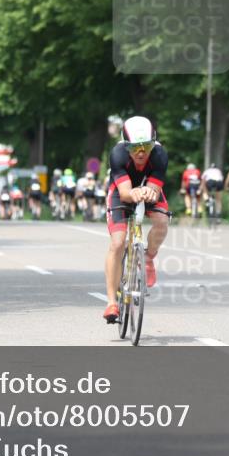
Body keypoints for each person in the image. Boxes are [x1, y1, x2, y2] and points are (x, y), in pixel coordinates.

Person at [103, 116, 169, 323]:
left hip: (147, 189)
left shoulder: (159, 155)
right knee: (118, 242)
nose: (141, 153)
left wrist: (150, 192)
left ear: (153, 143)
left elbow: (155, 188)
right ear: (126, 145)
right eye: (135, 148)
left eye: (146, 147)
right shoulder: (118, 154)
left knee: (161, 220)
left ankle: (148, 258)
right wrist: (135, 193)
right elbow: (124, 193)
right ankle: (111, 302)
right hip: (122, 193)